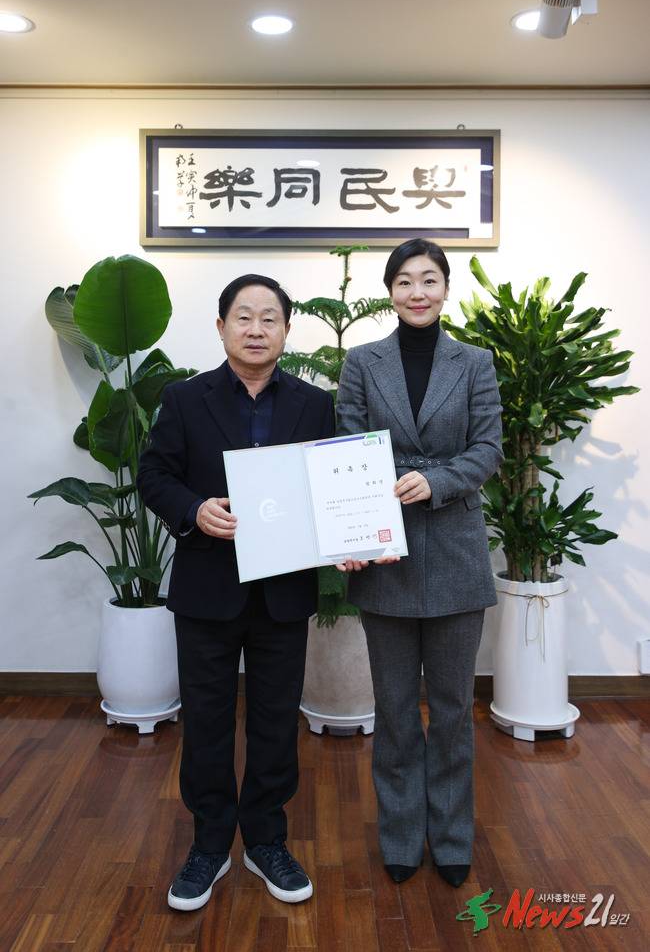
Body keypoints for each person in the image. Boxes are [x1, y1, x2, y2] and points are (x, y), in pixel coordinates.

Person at [137, 274, 335, 911]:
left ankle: (267, 841)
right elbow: (154, 475)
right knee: (207, 721)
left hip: (283, 590)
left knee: (276, 722)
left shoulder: (314, 404)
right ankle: (209, 844)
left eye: (269, 318)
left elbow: (332, 486)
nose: (256, 329)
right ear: (221, 327)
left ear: (286, 330)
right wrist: (194, 510)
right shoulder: (184, 399)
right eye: (243, 317)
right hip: (207, 588)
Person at [335, 239, 503, 888]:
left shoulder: (475, 362)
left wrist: (437, 481)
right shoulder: (362, 362)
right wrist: (354, 523)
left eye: (429, 279)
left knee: (454, 710)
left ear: (445, 288)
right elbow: (348, 444)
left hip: (456, 551)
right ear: (390, 291)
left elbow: (488, 447)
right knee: (397, 710)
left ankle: (453, 836)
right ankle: (402, 835)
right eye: (404, 280)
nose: (417, 292)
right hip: (385, 552)